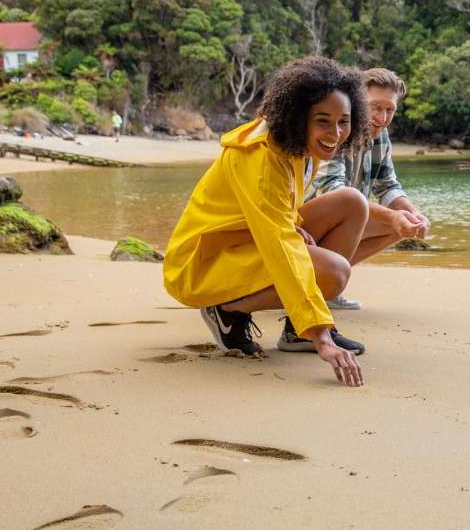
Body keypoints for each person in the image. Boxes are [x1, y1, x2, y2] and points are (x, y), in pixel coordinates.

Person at [163, 57, 369, 386]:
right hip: (200, 264)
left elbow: (274, 216)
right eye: (323, 121)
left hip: (240, 241)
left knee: (352, 203)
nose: (336, 133)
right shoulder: (261, 156)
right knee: (334, 273)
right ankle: (228, 311)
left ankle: (294, 332)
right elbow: (279, 244)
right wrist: (321, 335)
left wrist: (293, 226)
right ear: (298, 116)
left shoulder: (299, 146)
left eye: (344, 121)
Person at [304, 68, 430, 310]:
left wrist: (413, 215)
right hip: (303, 226)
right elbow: (333, 192)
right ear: (356, 102)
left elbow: (388, 185)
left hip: (341, 222)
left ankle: (327, 287)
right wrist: (393, 216)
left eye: (390, 109)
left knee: (404, 224)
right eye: (375, 107)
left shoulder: (381, 138)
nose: (382, 118)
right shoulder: (335, 132)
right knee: (357, 203)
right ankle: (318, 283)